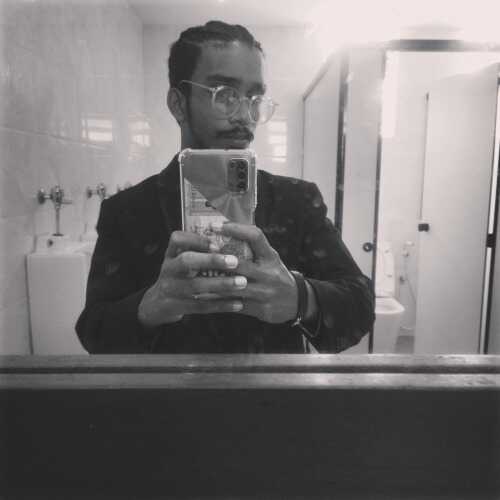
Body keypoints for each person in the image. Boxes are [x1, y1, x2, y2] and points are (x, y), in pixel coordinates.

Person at [76, 20, 375, 354]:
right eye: (224, 95)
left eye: (254, 98)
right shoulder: (127, 211)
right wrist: (150, 306)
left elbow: (360, 307)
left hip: (273, 388)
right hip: (169, 388)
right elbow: (93, 332)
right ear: (178, 104)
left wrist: (300, 297)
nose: (245, 115)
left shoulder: (296, 200)